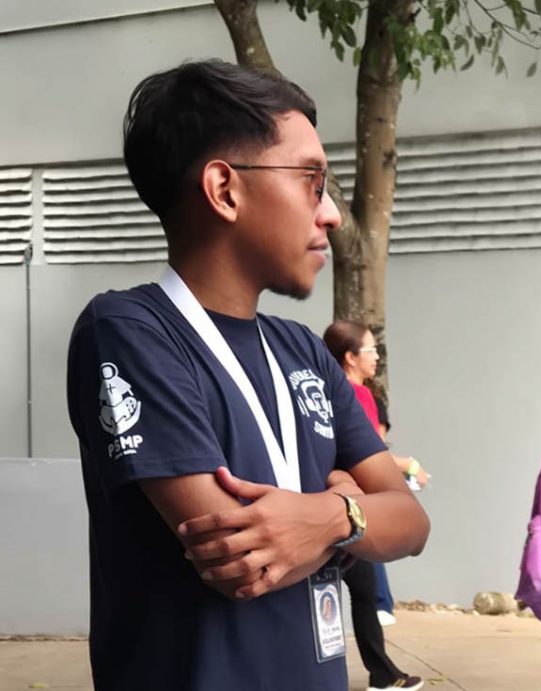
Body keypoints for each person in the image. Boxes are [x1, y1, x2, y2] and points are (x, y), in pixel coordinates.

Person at [66, 60, 430, 691]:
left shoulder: (303, 349)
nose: (331, 214)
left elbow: (413, 522)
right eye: (312, 181)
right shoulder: (129, 330)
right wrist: (356, 507)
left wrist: (331, 515)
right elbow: (241, 561)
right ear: (224, 189)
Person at [323, 320, 427, 686]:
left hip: (348, 507)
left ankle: (382, 674)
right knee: (356, 592)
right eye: (370, 350)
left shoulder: (351, 393)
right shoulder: (348, 395)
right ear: (350, 357)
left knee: (362, 590)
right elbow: (368, 454)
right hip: (343, 508)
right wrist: (408, 466)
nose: (376, 357)